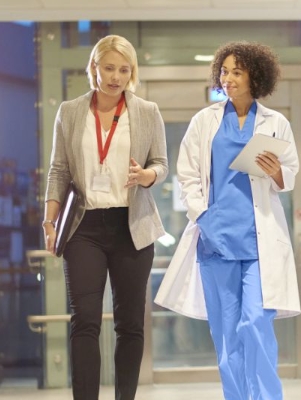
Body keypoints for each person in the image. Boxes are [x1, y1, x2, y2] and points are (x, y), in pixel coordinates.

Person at [154, 41, 300, 400]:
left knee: (255, 323)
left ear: (255, 77)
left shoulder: (275, 123)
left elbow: (290, 175)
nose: (228, 78)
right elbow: (188, 174)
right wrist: (202, 215)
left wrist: (276, 172)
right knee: (227, 336)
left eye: (237, 72)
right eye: (224, 71)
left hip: (258, 242)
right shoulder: (205, 121)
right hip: (215, 239)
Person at [43, 34, 168, 400]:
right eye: (109, 68)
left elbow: (161, 164)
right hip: (84, 226)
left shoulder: (147, 111)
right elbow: (58, 170)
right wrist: (49, 222)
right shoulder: (70, 111)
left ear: (132, 72)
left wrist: (147, 176)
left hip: (132, 225)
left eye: (124, 70)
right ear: (94, 67)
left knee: (130, 324)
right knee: (85, 319)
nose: (116, 77)